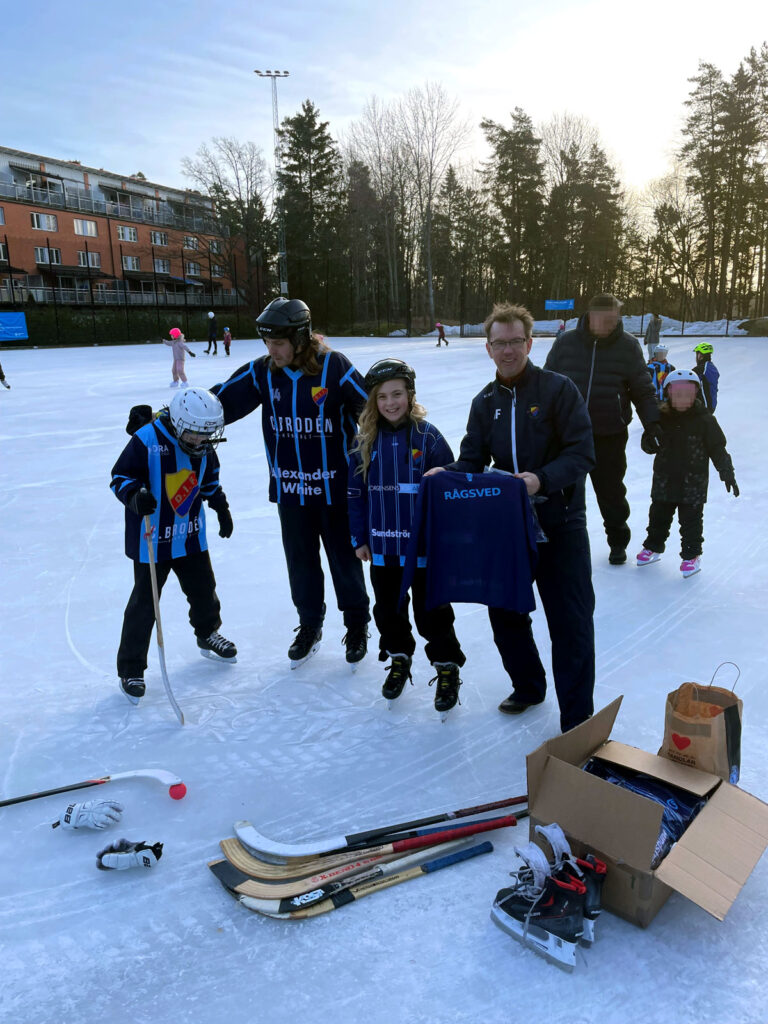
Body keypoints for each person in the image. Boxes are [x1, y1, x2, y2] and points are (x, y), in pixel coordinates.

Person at [426, 301, 596, 734]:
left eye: (515, 342)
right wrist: (443, 474)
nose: (507, 351)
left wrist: (540, 480)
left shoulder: (558, 390)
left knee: (570, 621)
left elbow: (582, 453)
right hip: (507, 528)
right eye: (499, 343)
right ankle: (528, 685)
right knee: (505, 614)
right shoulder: (485, 402)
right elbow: (471, 461)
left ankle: (577, 718)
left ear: (529, 342)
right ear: (487, 348)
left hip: (561, 523)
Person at [211, 297, 371, 668]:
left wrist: (409, 442)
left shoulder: (334, 367)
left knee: (344, 562)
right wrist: (164, 418)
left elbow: (376, 409)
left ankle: (357, 624)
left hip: (335, 491)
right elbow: (215, 402)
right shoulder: (263, 373)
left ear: (300, 338)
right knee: (300, 564)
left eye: (278, 343)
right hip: (291, 491)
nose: (272, 350)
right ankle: (309, 624)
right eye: (267, 343)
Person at [347, 358, 466, 714]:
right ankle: (399, 658)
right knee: (388, 611)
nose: (390, 402)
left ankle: (447, 667)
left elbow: (448, 489)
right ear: (373, 401)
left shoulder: (428, 437)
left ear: (410, 394)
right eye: (382, 396)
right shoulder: (365, 441)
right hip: (383, 550)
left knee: (433, 614)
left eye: (397, 394)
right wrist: (359, 538)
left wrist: (448, 539)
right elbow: (355, 495)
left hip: (425, 552)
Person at [111, 387, 237, 704]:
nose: (200, 440)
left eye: (206, 434)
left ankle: (208, 633)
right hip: (152, 539)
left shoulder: (204, 445)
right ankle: (131, 668)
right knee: (145, 603)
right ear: (180, 423)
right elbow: (120, 477)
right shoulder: (146, 441)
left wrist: (220, 506)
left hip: (189, 534)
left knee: (204, 588)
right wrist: (135, 496)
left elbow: (209, 480)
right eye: (194, 433)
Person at [544, 293, 661, 565]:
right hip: (568, 435)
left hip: (609, 432)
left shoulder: (628, 346)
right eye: (606, 319)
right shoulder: (566, 343)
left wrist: (652, 423)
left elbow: (643, 389)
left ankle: (618, 541)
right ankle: (565, 542)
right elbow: (547, 384)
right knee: (566, 492)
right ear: (591, 315)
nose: (611, 324)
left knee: (611, 492)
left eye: (615, 319)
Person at [636, 369, 738, 578]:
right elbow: (647, 445)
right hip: (664, 479)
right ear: (669, 394)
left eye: (688, 394)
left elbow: (718, 448)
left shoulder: (705, 420)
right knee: (658, 517)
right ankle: (653, 546)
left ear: (695, 395)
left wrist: (727, 472)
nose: (683, 398)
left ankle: (691, 555)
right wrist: (650, 440)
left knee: (691, 521)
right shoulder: (661, 418)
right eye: (678, 394)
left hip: (693, 482)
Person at [693, 342, 719, 410]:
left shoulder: (701, 369)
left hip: (703, 407)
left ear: (700, 356)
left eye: (697, 354)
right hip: (712, 405)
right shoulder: (712, 367)